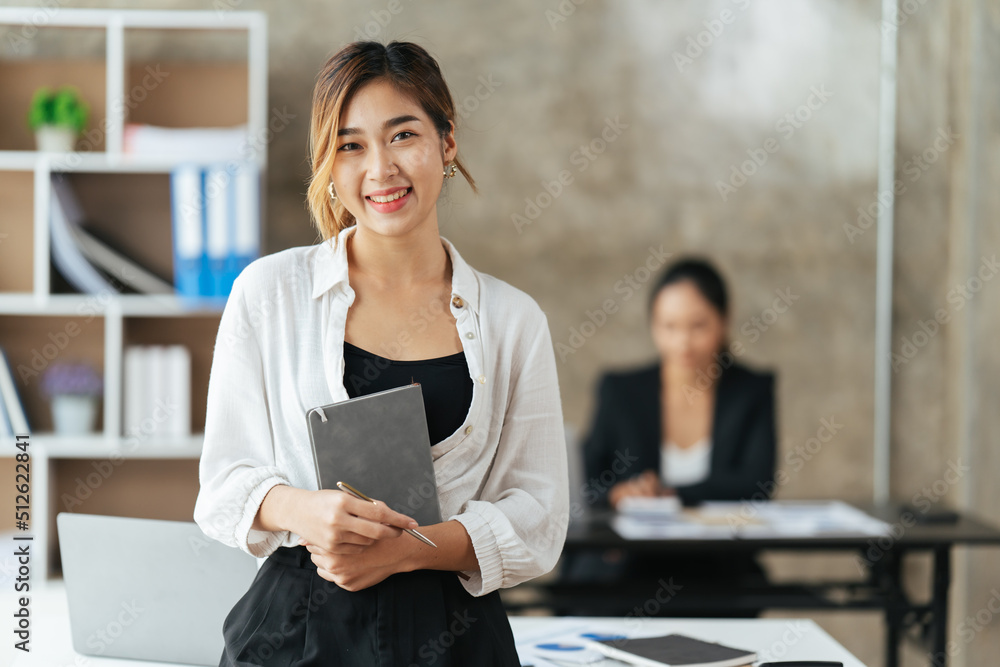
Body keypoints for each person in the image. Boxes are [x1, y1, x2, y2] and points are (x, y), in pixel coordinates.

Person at [193, 40, 568, 666]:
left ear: (447, 143)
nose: (380, 169)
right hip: (296, 628)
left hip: (454, 635)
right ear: (328, 166)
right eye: (350, 145)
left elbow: (538, 518)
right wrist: (306, 511)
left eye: (403, 136)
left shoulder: (512, 320)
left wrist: (416, 548)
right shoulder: (268, 293)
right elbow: (223, 486)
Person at [566, 257, 776, 607]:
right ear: (653, 326)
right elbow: (588, 482)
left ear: (723, 322)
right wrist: (619, 494)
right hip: (630, 563)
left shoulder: (750, 391)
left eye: (698, 326)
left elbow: (757, 484)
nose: (683, 342)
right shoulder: (621, 391)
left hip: (717, 564)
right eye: (669, 326)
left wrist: (666, 494)